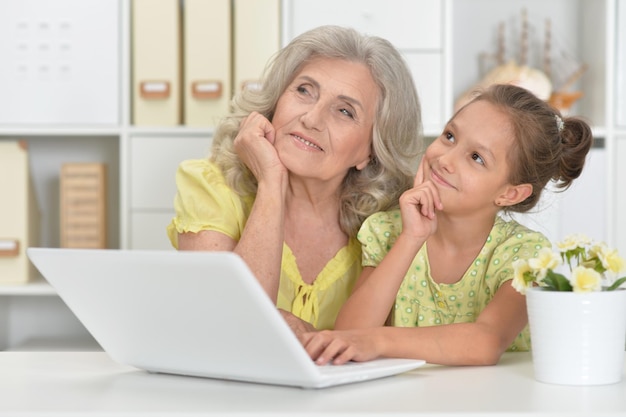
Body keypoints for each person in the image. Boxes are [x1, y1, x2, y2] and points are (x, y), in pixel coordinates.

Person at [300, 83, 594, 366]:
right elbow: (349, 335)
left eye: (476, 158)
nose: (445, 159)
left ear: (510, 193)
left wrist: (378, 342)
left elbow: (486, 342)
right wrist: (411, 238)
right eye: (450, 136)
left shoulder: (524, 254)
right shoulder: (388, 231)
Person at [166, 25, 423, 332]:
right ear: (276, 101)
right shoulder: (209, 186)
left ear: (369, 151)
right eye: (304, 90)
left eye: (344, 111)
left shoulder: (388, 227)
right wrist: (272, 183)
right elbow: (226, 327)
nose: (311, 118)